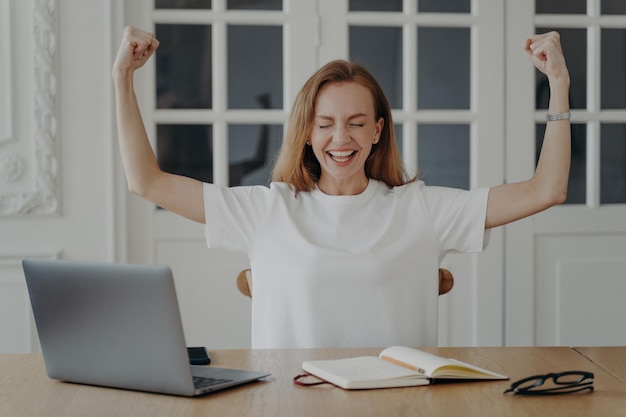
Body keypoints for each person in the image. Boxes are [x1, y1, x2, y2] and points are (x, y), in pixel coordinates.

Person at [113, 26, 571, 349]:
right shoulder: (267, 211)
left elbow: (545, 189)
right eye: (326, 124)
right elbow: (146, 181)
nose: (340, 138)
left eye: (356, 123)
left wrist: (558, 85)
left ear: (377, 131)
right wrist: (122, 79)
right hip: (288, 403)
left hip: (399, 405)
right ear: (307, 133)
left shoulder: (421, 209)